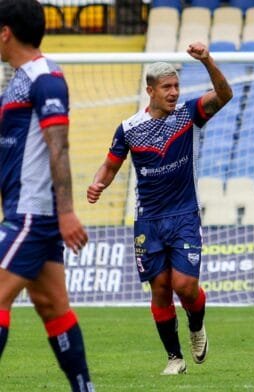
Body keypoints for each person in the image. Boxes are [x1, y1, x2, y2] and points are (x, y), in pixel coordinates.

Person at [86, 43, 232, 372]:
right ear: (150, 90)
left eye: (177, 86)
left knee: (185, 286)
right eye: (167, 87)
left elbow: (225, 95)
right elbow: (109, 166)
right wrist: (98, 184)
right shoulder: (128, 129)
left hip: (183, 215)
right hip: (148, 221)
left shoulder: (188, 114)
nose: (174, 92)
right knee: (161, 289)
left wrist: (207, 60)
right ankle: (174, 358)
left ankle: (196, 326)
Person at [0, 1, 94, 391]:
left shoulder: (45, 78)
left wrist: (67, 211)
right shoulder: (20, 78)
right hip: (27, 211)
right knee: (53, 306)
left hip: (32, 214)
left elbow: (60, 146)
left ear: (5, 32)